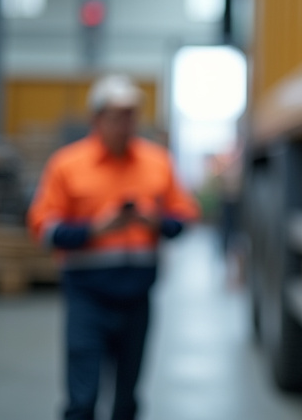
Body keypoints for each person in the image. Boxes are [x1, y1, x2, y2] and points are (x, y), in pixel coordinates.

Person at [27, 74, 199, 420]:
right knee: (82, 399)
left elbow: (184, 217)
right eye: (117, 114)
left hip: (137, 297)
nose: (126, 123)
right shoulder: (67, 165)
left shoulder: (157, 162)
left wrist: (155, 221)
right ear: (96, 118)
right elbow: (43, 227)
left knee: (127, 401)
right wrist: (95, 229)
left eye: (132, 114)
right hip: (87, 297)